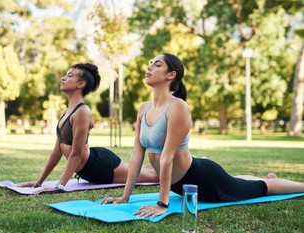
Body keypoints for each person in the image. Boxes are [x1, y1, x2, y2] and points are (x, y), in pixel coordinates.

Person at [101, 53, 304, 218]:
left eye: (156, 65)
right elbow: (137, 155)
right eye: (150, 64)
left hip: (203, 180)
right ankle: (264, 178)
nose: (149, 67)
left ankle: (287, 183)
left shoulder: (178, 107)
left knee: (260, 188)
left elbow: (167, 156)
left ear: (170, 75)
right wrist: (124, 197)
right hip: (180, 184)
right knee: (238, 181)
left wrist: (162, 204)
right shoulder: (143, 108)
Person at [19, 63, 158, 190]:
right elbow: (57, 151)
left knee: (154, 177)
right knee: (146, 171)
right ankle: (161, 164)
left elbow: (77, 153)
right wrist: (39, 182)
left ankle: (173, 164)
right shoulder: (65, 113)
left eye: (69, 75)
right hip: (89, 169)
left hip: (100, 166)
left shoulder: (82, 112)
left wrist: (59, 186)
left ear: (80, 84)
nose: (63, 78)